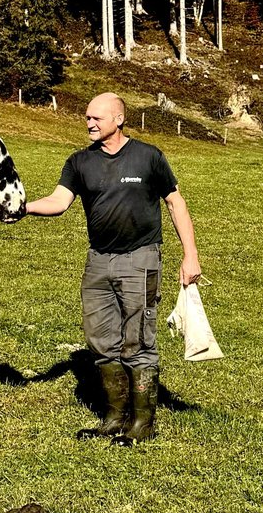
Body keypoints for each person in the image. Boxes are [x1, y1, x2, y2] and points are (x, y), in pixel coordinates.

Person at [24, 92, 201, 443]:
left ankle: (143, 424)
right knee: (101, 340)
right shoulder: (79, 162)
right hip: (98, 262)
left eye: (96, 118)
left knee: (138, 341)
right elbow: (59, 202)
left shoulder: (148, 157)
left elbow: (175, 203)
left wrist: (190, 254)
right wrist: (22, 207)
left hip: (141, 259)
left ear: (118, 119)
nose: (89, 123)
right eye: (87, 117)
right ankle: (116, 417)